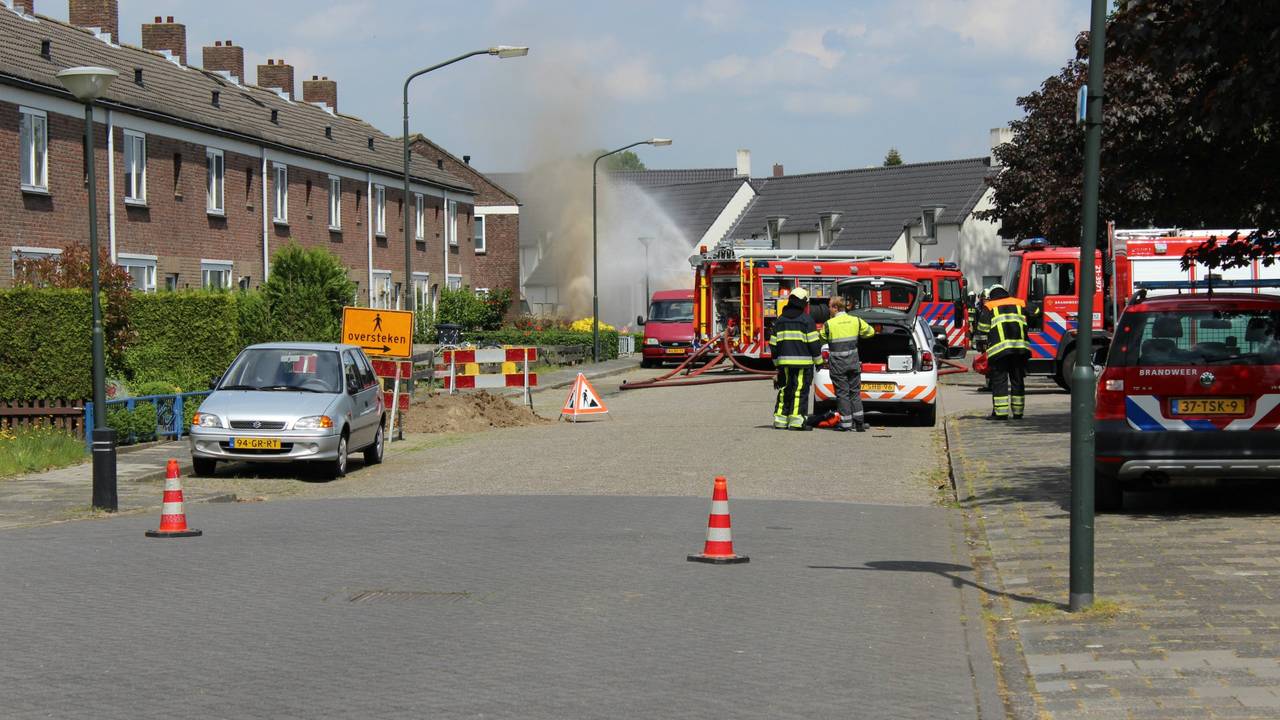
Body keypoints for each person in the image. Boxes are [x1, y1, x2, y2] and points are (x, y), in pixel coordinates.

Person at [768, 287, 823, 430]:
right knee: (799, 391)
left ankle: (780, 420)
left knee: (784, 389)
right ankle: (797, 421)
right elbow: (814, 344)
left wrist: (776, 364)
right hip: (803, 365)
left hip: (783, 364)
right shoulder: (807, 320)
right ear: (804, 303)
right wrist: (819, 362)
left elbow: (773, 345)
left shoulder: (780, 320)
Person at [819, 296, 875, 431]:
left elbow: (822, 339)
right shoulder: (856, 321)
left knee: (842, 394)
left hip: (838, 365)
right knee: (855, 393)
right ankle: (859, 424)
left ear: (835, 308)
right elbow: (871, 332)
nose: (828, 309)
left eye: (830, 306)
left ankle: (846, 424)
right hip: (853, 363)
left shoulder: (829, 324)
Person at [980, 285, 1032, 420]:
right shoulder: (1020, 302)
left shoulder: (990, 306)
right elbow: (1037, 311)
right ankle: (1018, 412)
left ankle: (1001, 413)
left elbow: (982, 328)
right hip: (1019, 350)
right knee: (1018, 380)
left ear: (992, 295)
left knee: (1000, 381)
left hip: (999, 352)